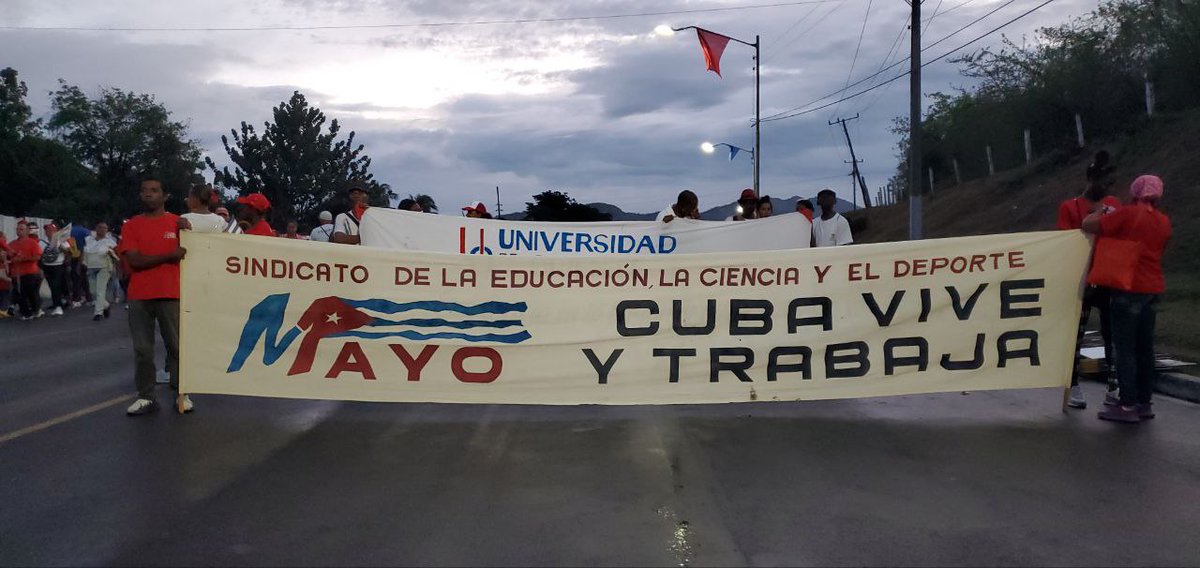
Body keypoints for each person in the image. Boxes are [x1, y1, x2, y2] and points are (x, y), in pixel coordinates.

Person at [1082, 174, 1172, 424]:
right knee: (1145, 348)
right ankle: (1145, 403)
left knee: (1124, 348)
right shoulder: (1163, 221)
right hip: (1152, 287)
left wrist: (1099, 210)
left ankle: (1126, 405)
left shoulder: (1128, 214)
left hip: (1128, 286)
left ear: (1135, 192)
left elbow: (1088, 225)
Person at [119, 177, 188, 416]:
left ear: (165, 196)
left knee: (177, 347)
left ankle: (182, 393)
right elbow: (135, 261)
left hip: (171, 292)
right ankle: (146, 396)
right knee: (142, 349)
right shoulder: (131, 225)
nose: (148, 194)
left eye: (154, 191)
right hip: (140, 295)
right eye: (144, 191)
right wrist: (170, 256)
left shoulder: (178, 223)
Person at [1058, 179, 1122, 409]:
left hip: (1106, 276)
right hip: (1080, 279)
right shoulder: (1069, 207)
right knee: (1077, 333)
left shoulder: (1113, 204)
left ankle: (1113, 386)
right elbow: (1067, 240)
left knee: (1111, 332)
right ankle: (1073, 384)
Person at [83, 222, 119, 321]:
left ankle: (98, 313)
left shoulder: (110, 242)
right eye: (100, 227)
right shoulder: (88, 240)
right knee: (93, 290)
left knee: (100, 290)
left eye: (105, 228)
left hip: (104, 267)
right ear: (96, 228)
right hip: (91, 267)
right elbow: (85, 252)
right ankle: (106, 305)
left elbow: (115, 256)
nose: (102, 230)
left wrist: (116, 267)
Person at [9, 221, 44, 320]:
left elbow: (37, 257)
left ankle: (36, 310)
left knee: (31, 293)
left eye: (21, 229)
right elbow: (8, 256)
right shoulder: (12, 244)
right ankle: (26, 313)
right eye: (17, 229)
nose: (19, 231)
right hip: (17, 273)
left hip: (30, 272)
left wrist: (23, 259)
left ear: (27, 231)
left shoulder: (32, 243)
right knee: (20, 294)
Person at [39, 223, 72, 316]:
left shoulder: (62, 240)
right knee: (52, 285)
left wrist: (59, 244)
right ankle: (57, 303)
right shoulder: (42, 241)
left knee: (55, 285)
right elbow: (39, 255)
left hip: (58, 266)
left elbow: (69, 252)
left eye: (50, 229)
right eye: (46, 230)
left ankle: (58, 306)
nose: (48, 231)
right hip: (46, 266)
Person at [70, 221, 91, 307]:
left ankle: (77, 298)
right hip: (85, 257)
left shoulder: (70, 231)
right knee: (84, 278)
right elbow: (87, 246)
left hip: (74, 256)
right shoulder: (86, 231)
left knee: (76, 279)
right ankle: (88, 297)